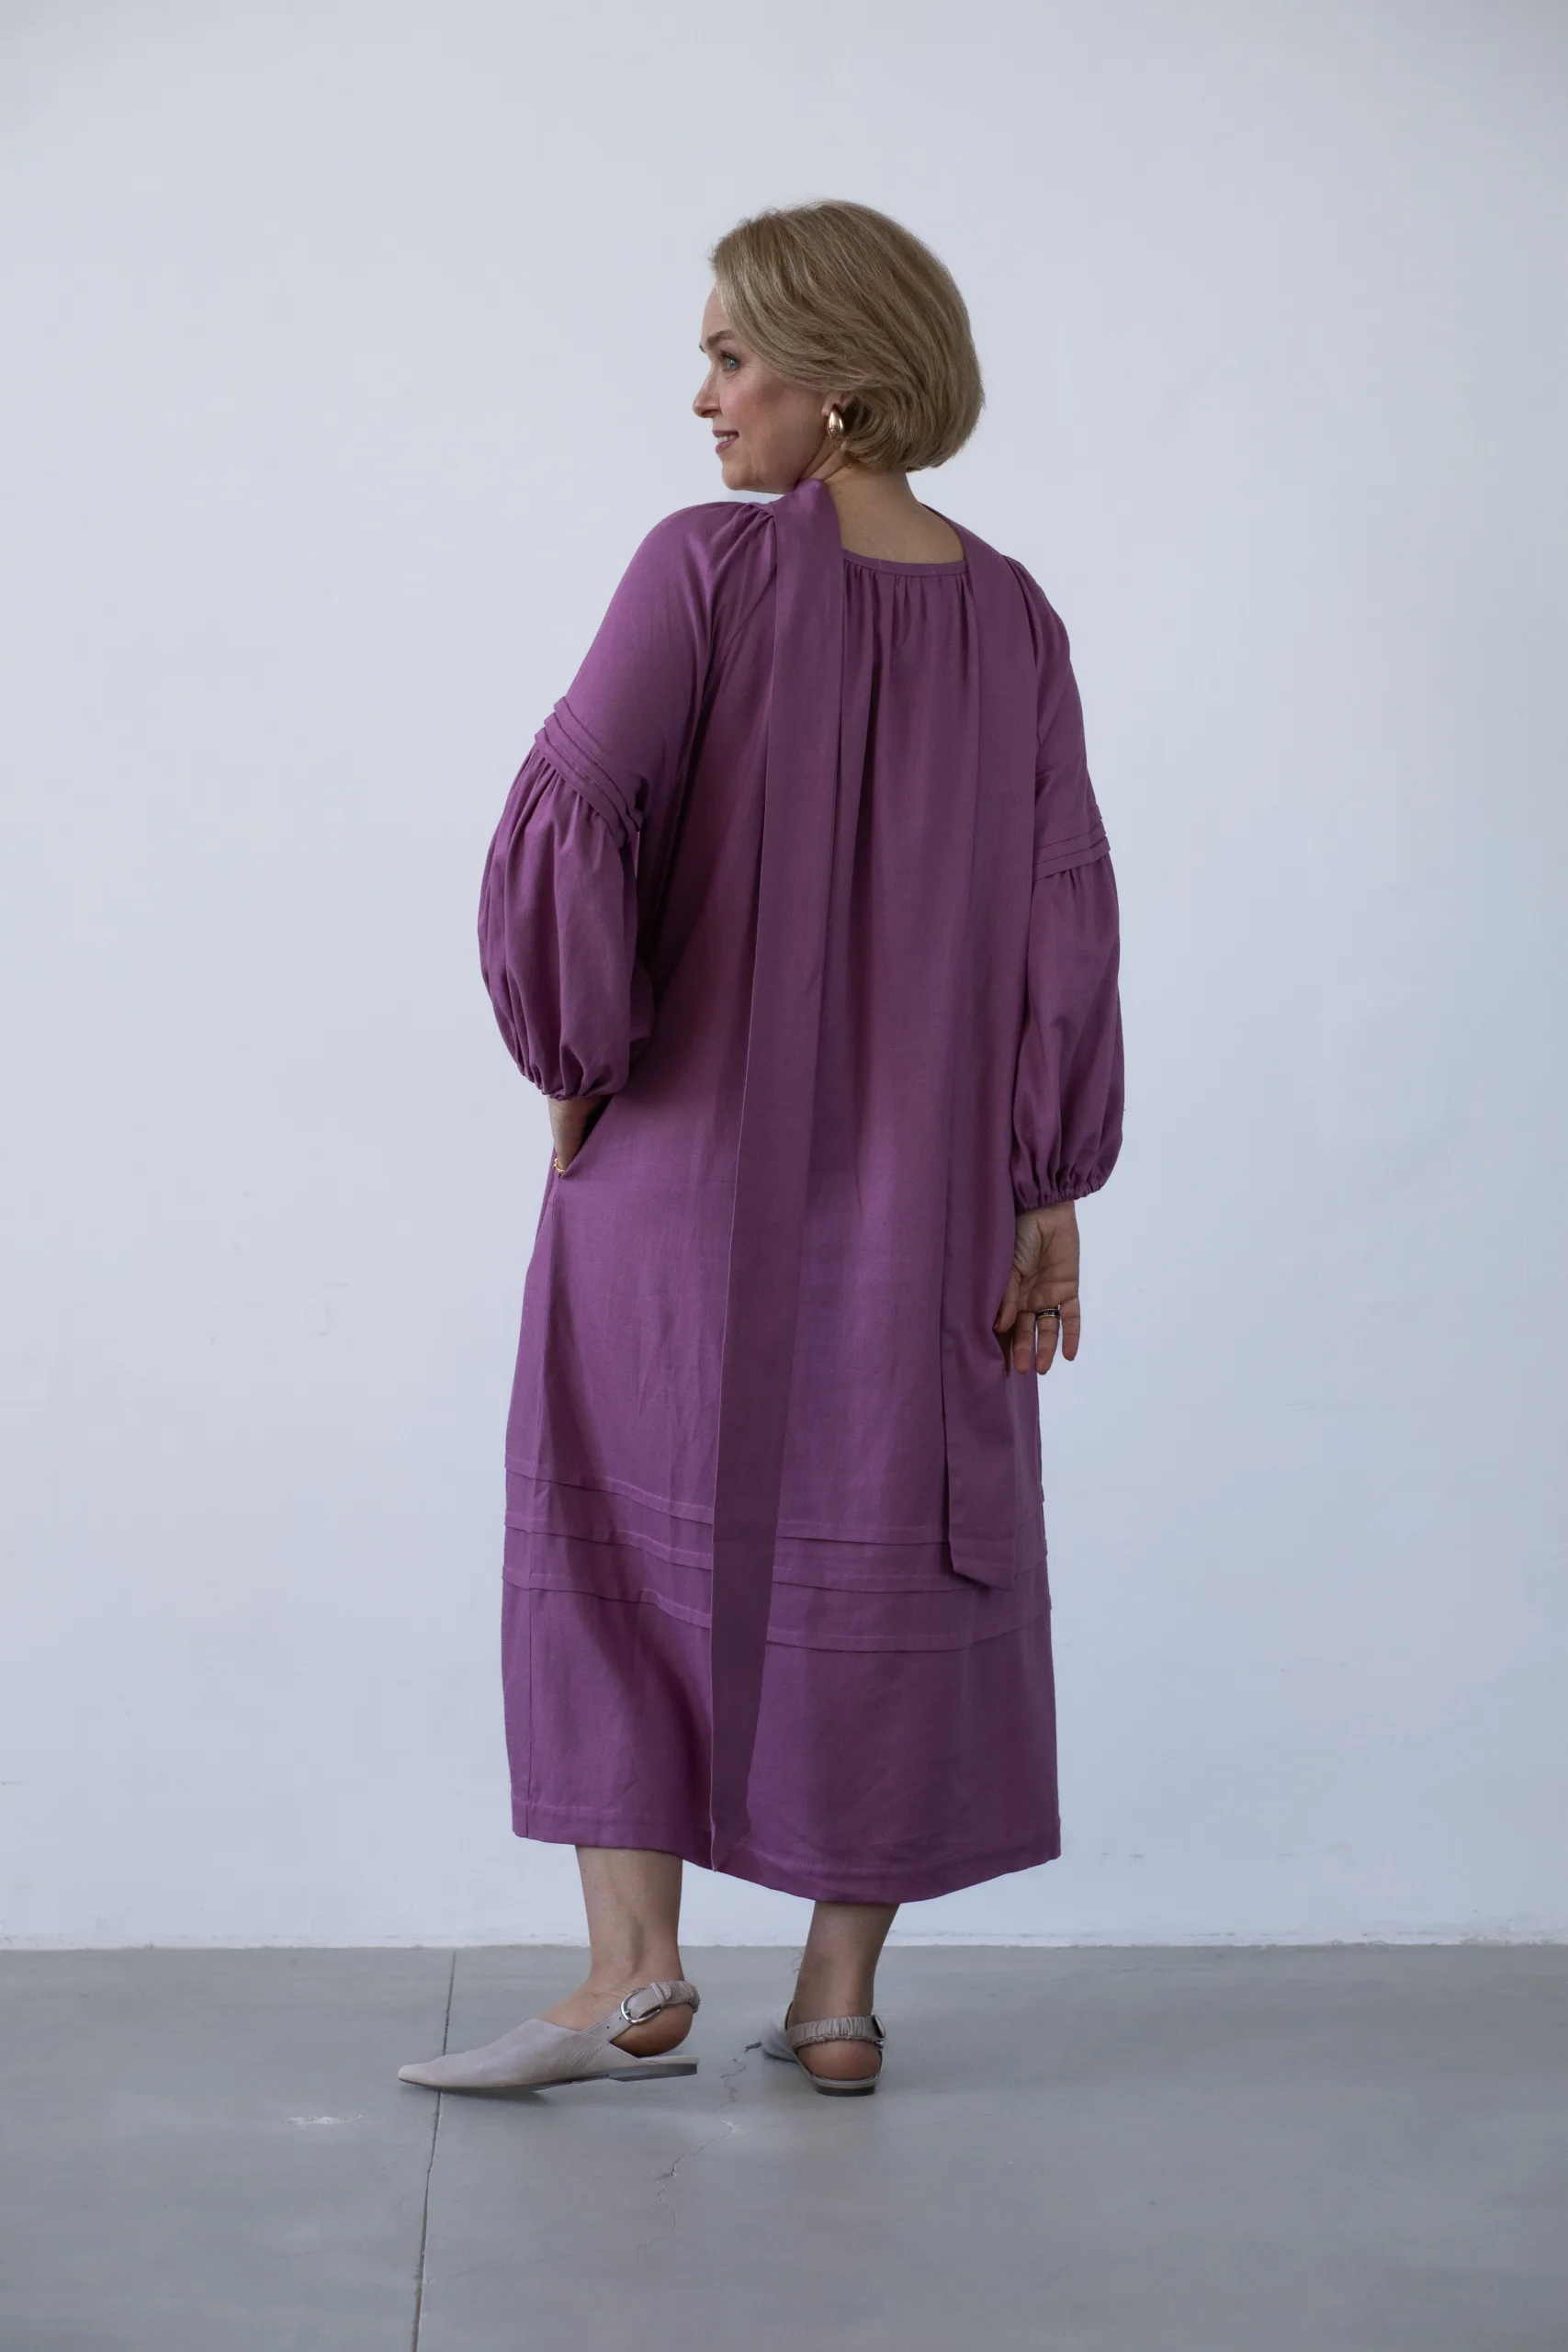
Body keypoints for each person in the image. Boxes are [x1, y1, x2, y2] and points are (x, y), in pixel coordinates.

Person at [400, 200, 1124, 2100]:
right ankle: (834, 1998)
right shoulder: (1014, 616)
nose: (703, 396)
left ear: (844, 383)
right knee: (890, 1535)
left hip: (682, 1174)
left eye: (731, 356)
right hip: (931, 1202)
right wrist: (1045, 1187)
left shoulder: (703, 567)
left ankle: (630, 1978)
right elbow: (1062, 920)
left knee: (614, 1534)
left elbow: (572, 808)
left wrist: (575, 1056)